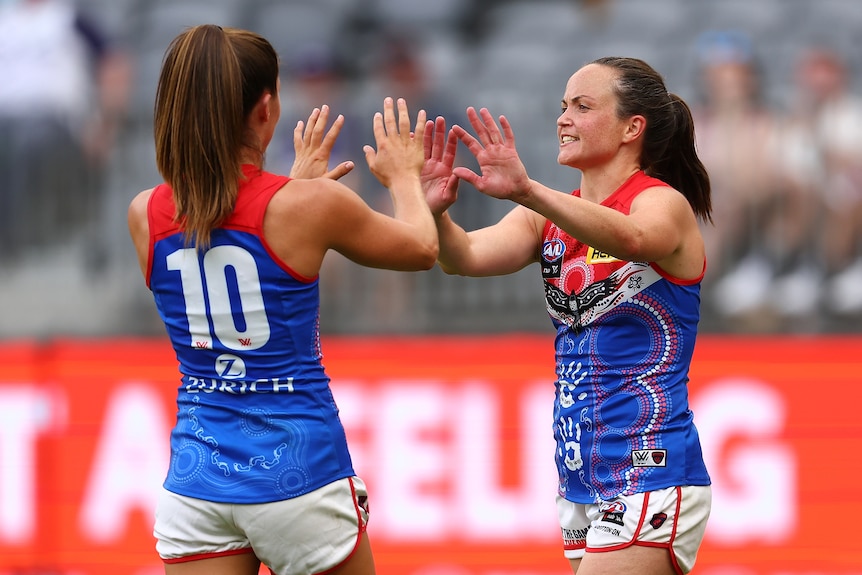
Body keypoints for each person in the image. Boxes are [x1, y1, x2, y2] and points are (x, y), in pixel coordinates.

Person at [126, 24, 437, 575]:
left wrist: (293, 190)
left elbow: (230, 233)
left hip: (196, 481)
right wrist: (404, 176)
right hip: (297, 473)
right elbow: (420, 249)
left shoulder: (144, 213)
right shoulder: (307, 207)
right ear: (265, 109)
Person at [421, 57, 711, 575]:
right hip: (579, 470)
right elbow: (462, 258)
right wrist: (436, 213)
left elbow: (634, 239)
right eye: (562, 107)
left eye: (582, 106)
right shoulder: (547, 216)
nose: (563, 118)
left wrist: (529, 189)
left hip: (650, 464)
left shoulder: (663, 205)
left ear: (631, 128)